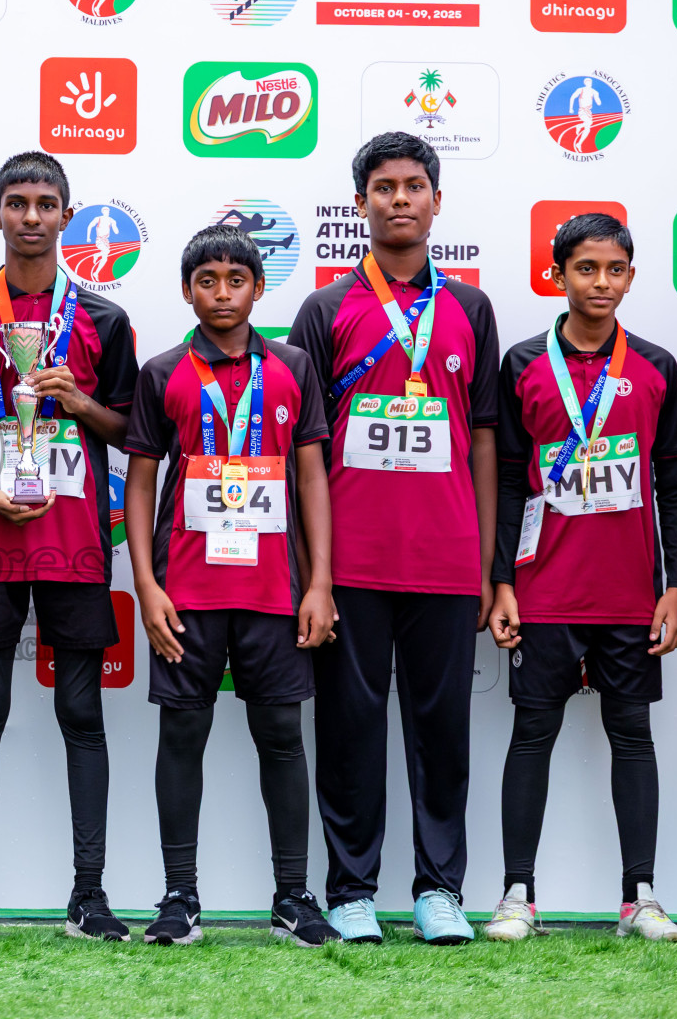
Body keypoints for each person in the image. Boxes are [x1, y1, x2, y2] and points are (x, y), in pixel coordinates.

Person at [0, 151, 139, 941]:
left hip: (75, 539)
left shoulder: (104, 319)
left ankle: (90, 896)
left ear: (66, 215)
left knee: (81, 710)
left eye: (46, 203)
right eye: (17, 202)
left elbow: (135, 434)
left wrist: (78, 399)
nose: (32, 216)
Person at [288, 132, 500, 945]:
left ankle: (440, 888)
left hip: (446, 558)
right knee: (348, 726)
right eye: (385, 186)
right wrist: (315, 570)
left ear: (437, 201)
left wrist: (484, 561)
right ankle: (351, 890)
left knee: (442, 727)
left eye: (415, 185)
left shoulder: (470, 308)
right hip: (353, 561)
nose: (400, 198)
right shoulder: (324, 310)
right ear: (361, 204)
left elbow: (482, 437)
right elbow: (304, 447)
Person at [124, 226, 340, 947]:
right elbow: (143, 479)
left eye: (236, 280)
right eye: (207, 281)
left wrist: (321, 584)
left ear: (258, 286)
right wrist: (147, 587)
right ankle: (179, 896)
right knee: (182, 731)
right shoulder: (161, 372)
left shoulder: (293, 366)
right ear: (188, 290)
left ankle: (292, 895)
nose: (222, 293)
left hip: (275, 588)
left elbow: (311, 475)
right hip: (186, 588)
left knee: (281, 732)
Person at [485, 213, 677, 942]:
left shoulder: (659, 366)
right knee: (532, 731)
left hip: (631, 591)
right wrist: (502, 579)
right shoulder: (521, 363)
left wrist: (676, 586)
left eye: (614, 270)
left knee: (631, 733)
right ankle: (518, 895)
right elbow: (510, 482)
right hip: (544, 589)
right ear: (559, 274)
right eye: (585, 269)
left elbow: (672, 485)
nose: (600, 283)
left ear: (631, 276)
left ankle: (640, 896)